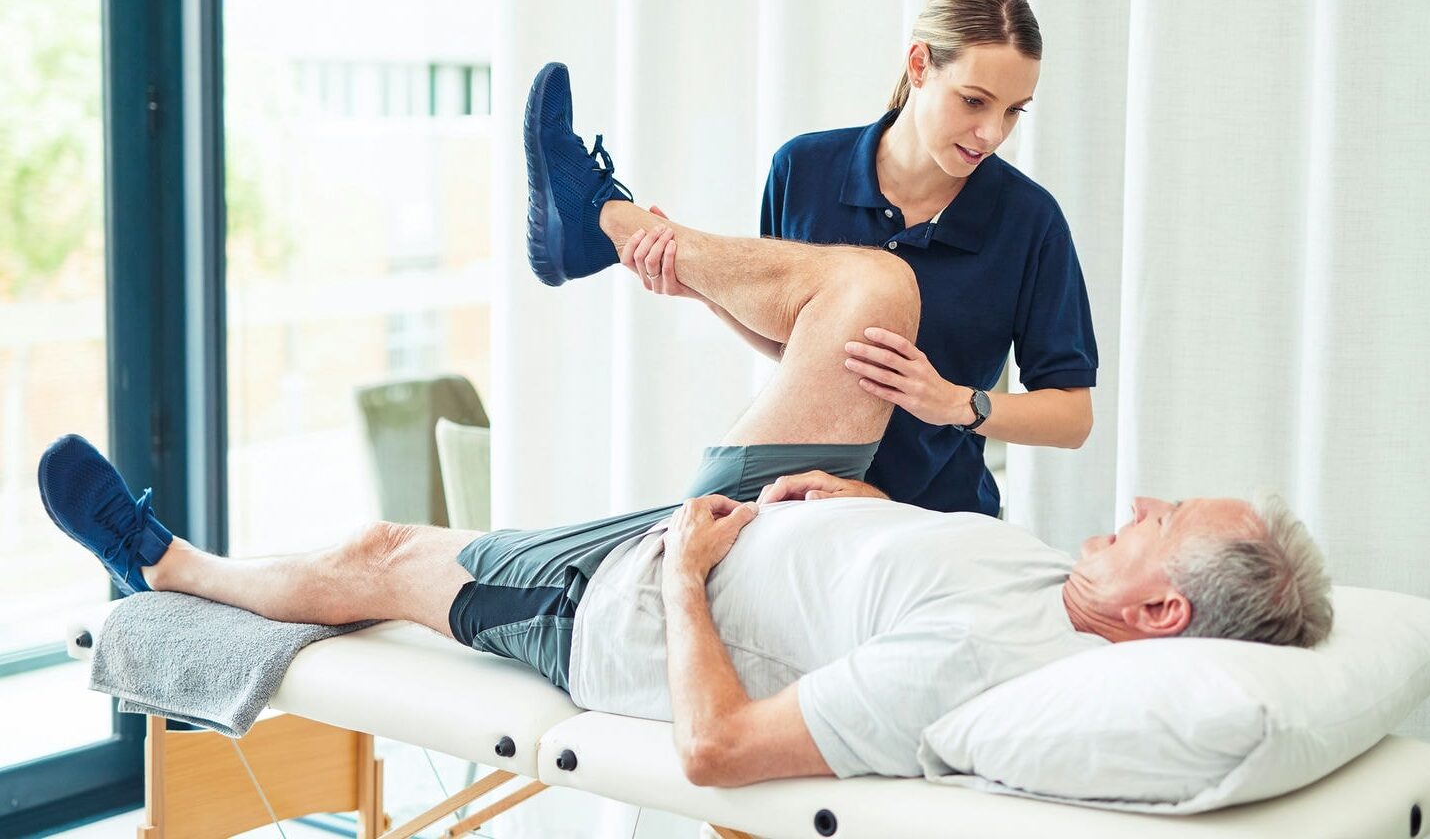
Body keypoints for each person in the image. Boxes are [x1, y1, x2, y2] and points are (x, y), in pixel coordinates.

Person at [40, 183, 1332, 786]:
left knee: (386, 555)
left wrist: (694, 585)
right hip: (743, 523)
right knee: (873, 292)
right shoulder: (1062, 588)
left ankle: (173, 571)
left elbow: (715, 750)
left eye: (1164, 522)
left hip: (635, 609)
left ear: (1159, 614)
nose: (1142, 501)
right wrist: (861, 510)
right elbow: (924, 565)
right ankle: (600, 220)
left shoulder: (977, 680)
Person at [576, 0, 1096, 517]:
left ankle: (602, 218)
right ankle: (621, 227)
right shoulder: (803, 169)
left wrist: (955, 403)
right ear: (919, 65)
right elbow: (797, 346)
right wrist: (706, 292)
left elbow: (1072, 417)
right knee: (658, 554)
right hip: (791, 498)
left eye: (1014, 110)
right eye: (974, 101)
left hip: (929, 515)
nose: (992, 133)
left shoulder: (1029, 221)